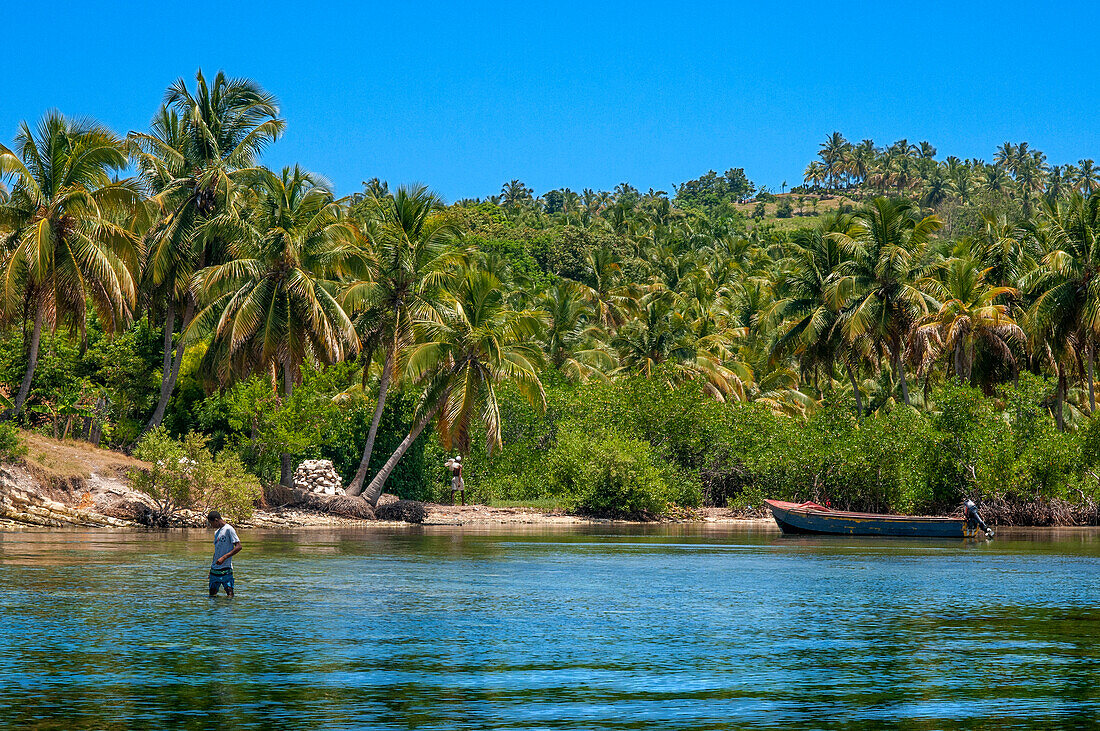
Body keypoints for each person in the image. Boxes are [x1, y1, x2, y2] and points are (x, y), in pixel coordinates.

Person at [207, 510, 242, 597]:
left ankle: (229, 610)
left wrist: (224, 557)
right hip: (215, 570)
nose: (211, 526)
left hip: (226, 569)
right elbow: (217, 552)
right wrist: (211, 568)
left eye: (211, 523)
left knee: (230, 594)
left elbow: (238, 547)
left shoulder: (229, 529)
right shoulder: (217, 532)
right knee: (212, 595)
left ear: (216, 520)